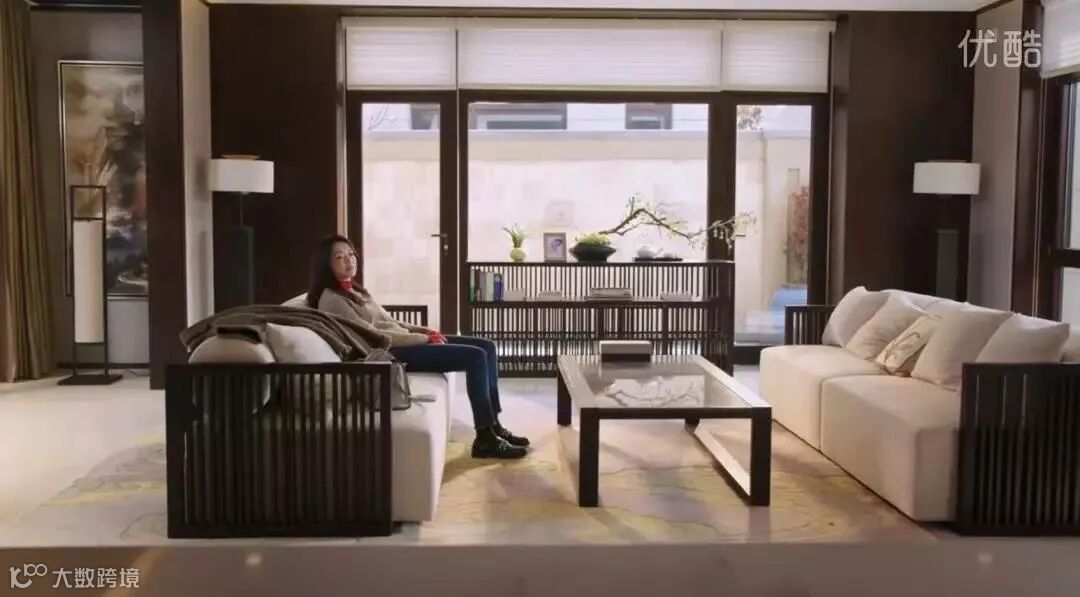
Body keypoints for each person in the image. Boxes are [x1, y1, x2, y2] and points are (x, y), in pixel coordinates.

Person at [306, 234, 529, 459]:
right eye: (340, 257)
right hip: (392, 352)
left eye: (351, 254)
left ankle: (494, 424)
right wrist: (423, 339)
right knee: (476, 357)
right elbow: (373, 336)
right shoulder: (333, 300)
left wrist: (426, 331)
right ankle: (484, 437)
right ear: (326, 265)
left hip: (405, 341)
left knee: (487, 347)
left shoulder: (355, 290)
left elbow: (391, 322)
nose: (349, 260)